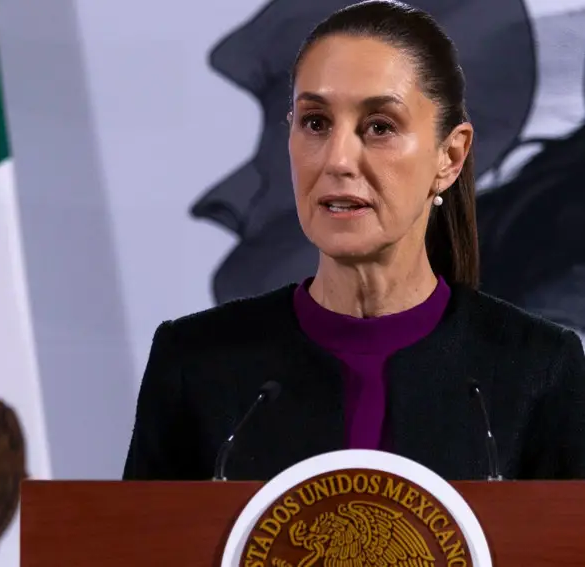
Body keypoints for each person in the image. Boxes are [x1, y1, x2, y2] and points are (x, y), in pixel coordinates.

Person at [122, 0, 585, 482]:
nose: (337, 160)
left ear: (450, 157)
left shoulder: (538, 366)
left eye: (379, 127)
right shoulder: (194, 363)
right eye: (316, 123)